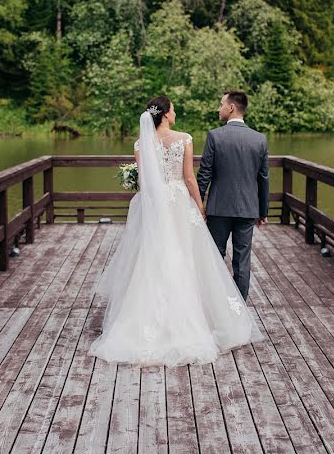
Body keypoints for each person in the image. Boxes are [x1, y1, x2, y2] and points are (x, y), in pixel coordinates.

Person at [89, 96, 263, 367]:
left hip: (154, 207)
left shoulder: (140, 144)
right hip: (180, 203)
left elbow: (145, 183)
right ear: (166, 114)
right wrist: (199, 205)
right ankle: (198, 319)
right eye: (173, 109)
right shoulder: (184, 138)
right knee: (187, 257)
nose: (175, 112)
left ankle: (148, 323)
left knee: (154, 258)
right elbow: (189, 178)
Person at [197, 90, 270, 301]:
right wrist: (263, 211)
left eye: (221, 104)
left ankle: (216, 305)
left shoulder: (215, 136)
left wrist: (197, 204)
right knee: (242, 260)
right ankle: (239, 311)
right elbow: (263, 179)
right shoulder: (259, 139)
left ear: (231, 107)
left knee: (215, 258)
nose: (218, 108)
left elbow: (204, 175)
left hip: (219, 208)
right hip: (247, 209)